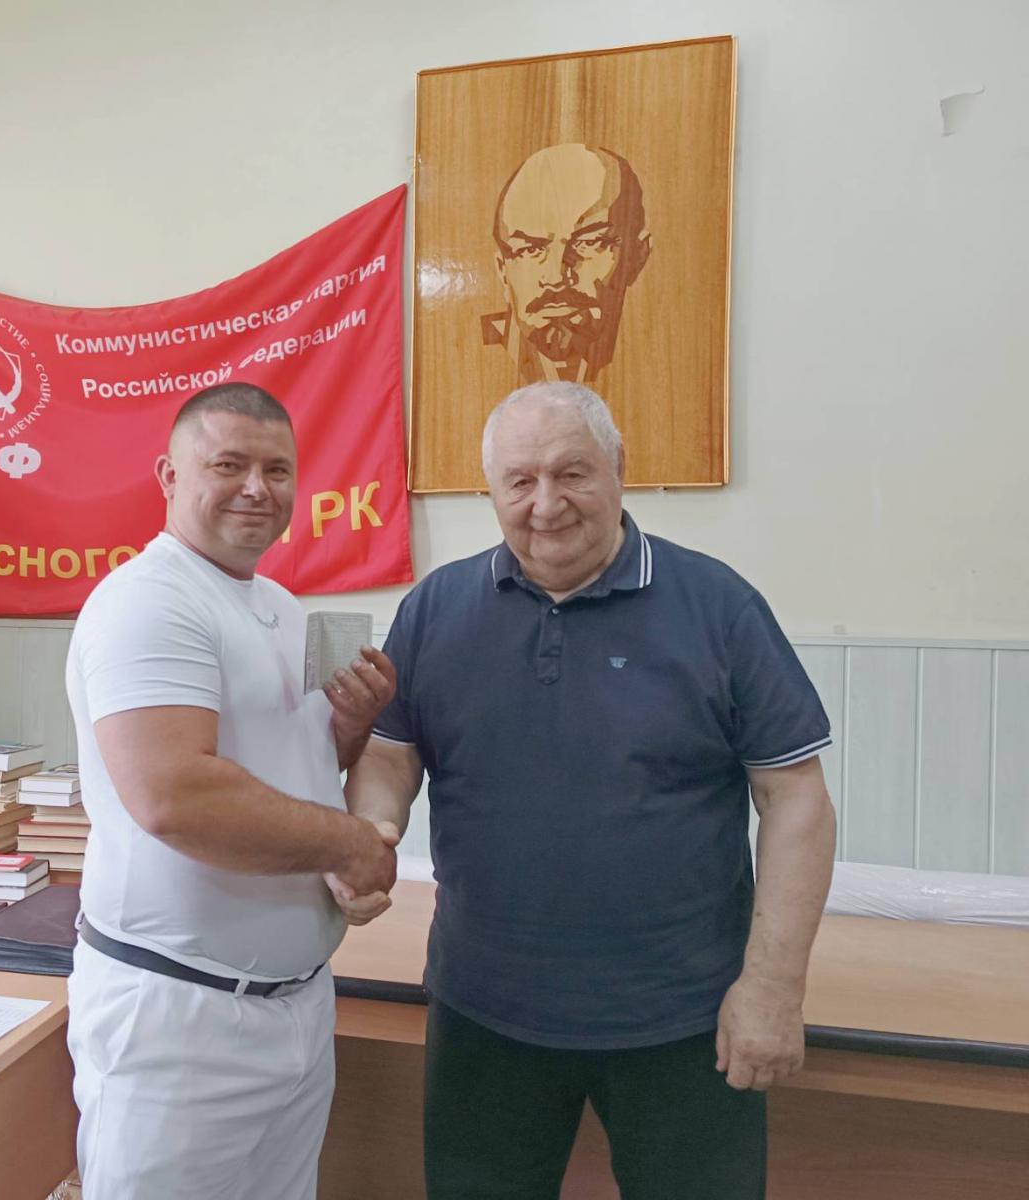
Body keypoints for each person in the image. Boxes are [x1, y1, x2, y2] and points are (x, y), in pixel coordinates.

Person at [342, 381, 836, 1199]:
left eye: (571, 473)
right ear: (490, 491)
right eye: (520, 481)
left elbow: (795, 798)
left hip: (684, 1020)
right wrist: (371, 833)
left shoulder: (719, 607)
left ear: (617, 469)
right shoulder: (434, 608)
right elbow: (393, 756)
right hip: (483, 1014)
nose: (546, 504)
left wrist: (774, 987)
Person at [64, 382, 398, 1199]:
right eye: (229, 465)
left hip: (295, 1008)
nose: (257, 488)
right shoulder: (148, 602)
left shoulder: (280, 605)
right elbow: (178, 797)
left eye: (277, 470)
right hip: (180, 1020)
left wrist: (351, 726)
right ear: (169, 476)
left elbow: (294, 772)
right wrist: (354, 844)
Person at [480, 144, 652, 384]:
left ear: (637, 256)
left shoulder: (657, 359)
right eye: (531, 250)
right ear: (502, 270)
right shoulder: (472, 360)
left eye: (588, 243)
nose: (556, 277)